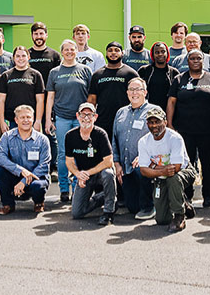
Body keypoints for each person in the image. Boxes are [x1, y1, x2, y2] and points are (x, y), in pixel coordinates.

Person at [167, 49, 210, 208]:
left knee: (207, 162)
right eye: (192, 58)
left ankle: (208, 195)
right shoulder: (179, 79)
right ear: (187, 61)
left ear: (203, 61)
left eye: (198, 58)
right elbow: (172, 102)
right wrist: (170, 124)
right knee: (187, 163)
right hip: (184, 130)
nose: (195, 61)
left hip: (207, 129)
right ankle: (187, 194)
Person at [45, 39, 94, 204]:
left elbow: (91, 96)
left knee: (80, 154)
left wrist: (89, 117)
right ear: (62, 52)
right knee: (63, 154)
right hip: (62, 118)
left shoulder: (85, 70)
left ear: (76, 51)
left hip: (81, 119)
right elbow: (50, 97)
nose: (69, 52)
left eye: (72, 49)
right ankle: (64, 189)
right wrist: (47, 119)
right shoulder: (54, 72)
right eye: (66, 49)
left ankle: (78, 188)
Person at [137, 105, 197, 232]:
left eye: (158, 122)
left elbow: (175, 168)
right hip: (161, 176)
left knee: (173, 179)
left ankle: (179, 216)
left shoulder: (174, 138)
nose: (154, 126)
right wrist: (161, 170)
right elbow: (143, 170)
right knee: (162, 220)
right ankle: (183, 203)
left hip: (184, 171)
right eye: (151, 122)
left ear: (165, 121)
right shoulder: (143, 142)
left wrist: (153, 167)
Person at [63, 102, 116, 225]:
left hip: (99, 173)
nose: (86, 118)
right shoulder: (70, 136)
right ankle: (104, 198)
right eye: (83, 114)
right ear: (77, 116)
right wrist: (78, 174)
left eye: (90, 115)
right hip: (84, 176)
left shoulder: (100, 134)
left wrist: (87, 172)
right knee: (77, 213)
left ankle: (108, 212)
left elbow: (108, 161)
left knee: (108, 174)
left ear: (95, 117)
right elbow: (69, 161)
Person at [113, 78, 157, 219]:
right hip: (126, 167)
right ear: (127, 93)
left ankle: (149, 206)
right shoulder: (120, 112)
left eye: (138, 89)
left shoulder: (154, 111)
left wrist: (144, 156)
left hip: (146, 164)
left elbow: (159, 138)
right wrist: (116, 163)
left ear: (145, 92)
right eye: (131, 90)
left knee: (142, 168)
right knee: (132, 207)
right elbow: (114, 139)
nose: (134, 93)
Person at [0, 105, 51, 215]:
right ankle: (8, 204)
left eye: (28, 117)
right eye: (22, 117)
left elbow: (44, 165)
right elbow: (0, 158)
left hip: (35, 178)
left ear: (33, 119)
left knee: (38, 186)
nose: (26, 120)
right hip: (14, 177)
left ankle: (39, 203)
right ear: (16, 120)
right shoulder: (7, 137)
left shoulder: (42, 140)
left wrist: (24, 181)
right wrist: (20, 171)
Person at [86, 42, 140, 136]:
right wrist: (90, 118)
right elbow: (92, 99)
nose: (113, 53)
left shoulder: (130, 74)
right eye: (110, 50)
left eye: (117, 50)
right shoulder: (97, 75)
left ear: (122, 53)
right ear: (106, 53)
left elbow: (139, 98)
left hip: (125, 119)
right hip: (103, 120)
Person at [0, 45, 45, 132]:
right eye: (18, 56)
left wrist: (38, 120)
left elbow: (40, 100)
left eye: (23, 56)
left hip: (30, 120)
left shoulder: (36, 75)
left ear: (28, 57)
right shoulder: (6, 75)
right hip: (11, 121)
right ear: (13, 58)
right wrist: (2, 121)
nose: (20, 58)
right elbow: (1, 100)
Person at [140, 42, 176, 109]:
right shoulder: (144, 71)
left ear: (167, 53)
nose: (160, 54)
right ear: (152, 55)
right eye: (157, 52)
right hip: (147, 111)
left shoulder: (174, 72)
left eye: (163, 51)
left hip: (168, 111)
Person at [27, 21, 62, 86]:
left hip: (49, 93)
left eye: (41, 33)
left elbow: (58, 77)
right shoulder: (26, 55)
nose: (39, 36)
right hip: (30, 94)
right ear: (32, 35)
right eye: (36, 34)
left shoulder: (54, 55)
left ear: (46, 35)